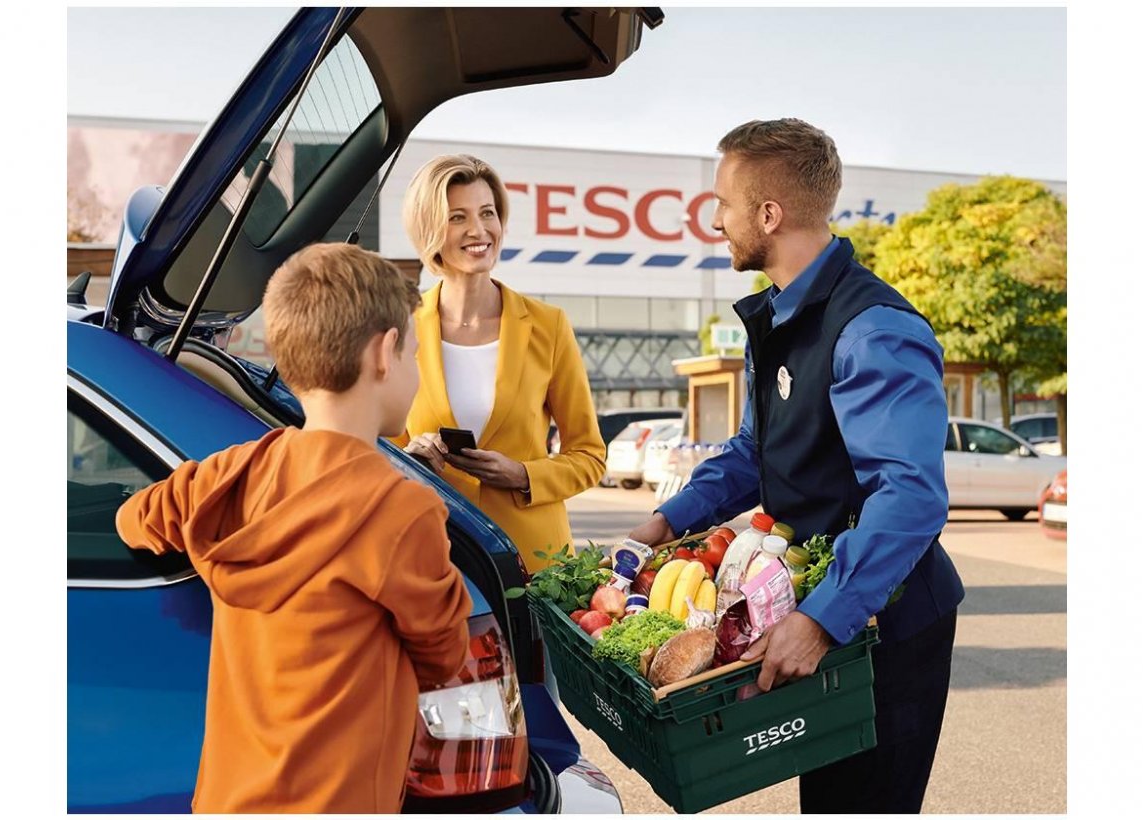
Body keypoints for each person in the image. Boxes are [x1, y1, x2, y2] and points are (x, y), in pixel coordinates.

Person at [627, 119, 966, 813]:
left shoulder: (873, 329)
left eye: (723, 203)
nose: (714, 221)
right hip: (829, 609)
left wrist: (822, 618)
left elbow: (909, 496)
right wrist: (666, 521)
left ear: (768, 215)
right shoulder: (781, 318)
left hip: (886, 622)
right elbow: (754, 451)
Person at [115, 243, 472, 813]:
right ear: (384, 354)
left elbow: (135, 518)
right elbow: (445, 655)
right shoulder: (403, 512)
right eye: (415, 354)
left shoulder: (229, 476)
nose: (418, 371)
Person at [396, 154, 606, 574]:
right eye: (457, 217)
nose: (479, 230)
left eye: (487, 213)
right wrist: (410, 457)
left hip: (535, 561)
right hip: (435, 552)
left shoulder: (548, 326)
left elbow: (589, 456)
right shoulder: (402, 327)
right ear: (429, 229)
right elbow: (380, 452)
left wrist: (524, 475)